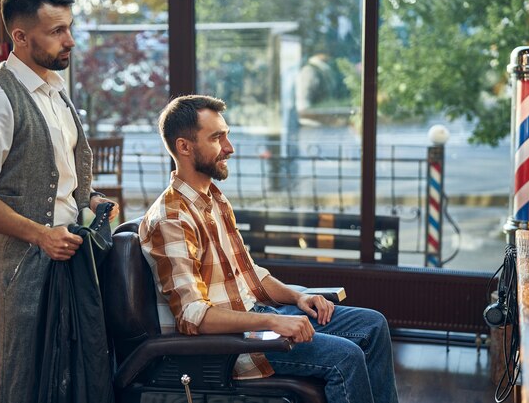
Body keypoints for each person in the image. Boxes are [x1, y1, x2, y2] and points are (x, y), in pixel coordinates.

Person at [139, 95, 399, 403]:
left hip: (258, 316)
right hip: (233, 342)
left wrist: (298, 298)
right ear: (184, 147)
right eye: (217, 138)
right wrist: (273, 322)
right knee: (346, 356)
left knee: (373, 324)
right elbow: (194, 316)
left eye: (227, 135)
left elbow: (252, 275)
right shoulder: (172, 218)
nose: (229, 147)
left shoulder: (215, 200)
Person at [0, 0, 119, 402]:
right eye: (57, 30)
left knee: (67, 378)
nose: (71, 40)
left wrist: (89, 201)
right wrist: (41, 235)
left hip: (69, 259)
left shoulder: (56, 90)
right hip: (20, 266)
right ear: (21, 37)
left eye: (70, 27)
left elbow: (58, 177)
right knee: (20, 380)